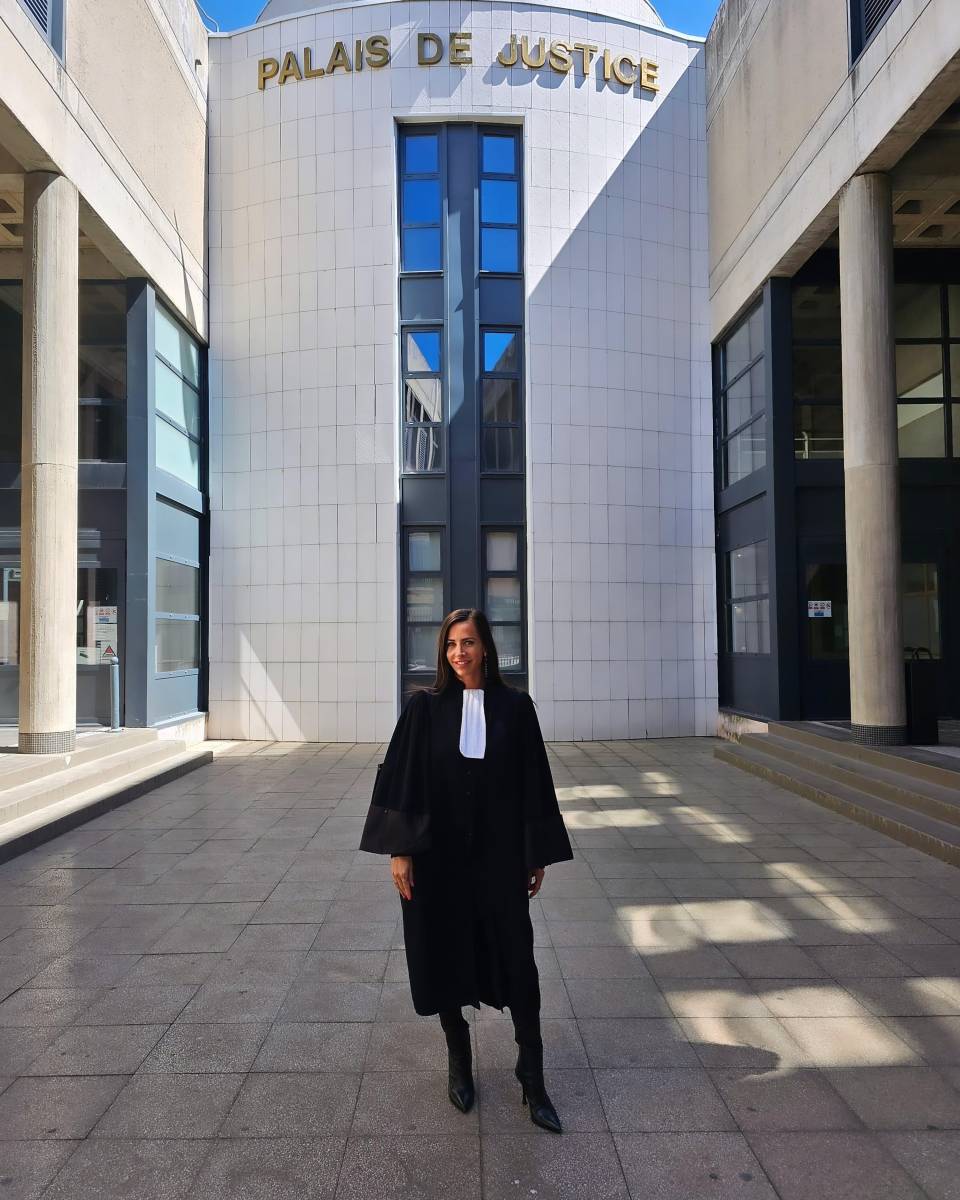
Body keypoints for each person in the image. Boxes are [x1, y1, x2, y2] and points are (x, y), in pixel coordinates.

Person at [359, 607, 573, 1133]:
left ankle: (532, 1073)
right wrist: (400, 850)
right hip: (438, 859)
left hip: (499, 858)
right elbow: (402, 778)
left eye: (469, 642)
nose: (460, 653)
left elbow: (534, 782)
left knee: (517, 959)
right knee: (444, 953)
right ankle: (459, 1059)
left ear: (486, 648)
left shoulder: (515, 708)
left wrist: (535, 853)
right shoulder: (423, 709)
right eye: (452, 644)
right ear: (443, 651)